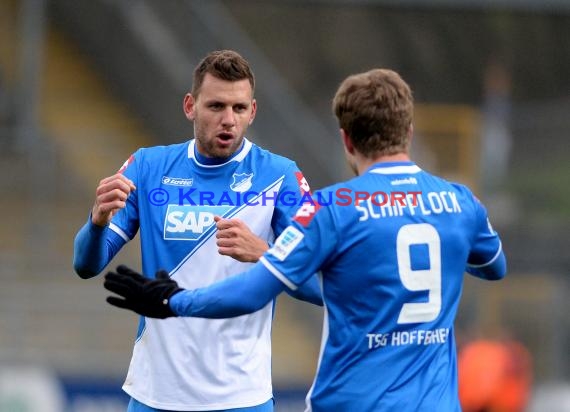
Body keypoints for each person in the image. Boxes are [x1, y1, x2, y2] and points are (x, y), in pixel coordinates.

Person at [103, 68, 507, 411]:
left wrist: (172, 301)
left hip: (353, 401)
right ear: (410, 131)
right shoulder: (459, 202)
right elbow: (494, 267)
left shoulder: (333, 209)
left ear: (346, 139)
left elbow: (251, 293)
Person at [73, 50, 322, 412]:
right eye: (216, 106)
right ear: (190, 106)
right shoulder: (147, 166)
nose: (228, 120)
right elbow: (86, 264)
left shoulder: (281, 177)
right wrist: (96, 221)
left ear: (252, 112)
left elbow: (326, 286)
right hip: (155, 395)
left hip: (241, 398)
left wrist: (267, 255)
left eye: (239, 109)